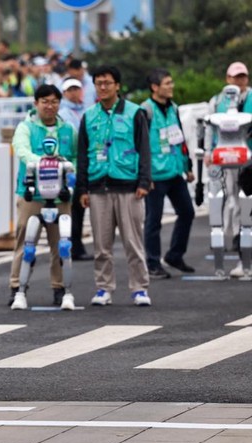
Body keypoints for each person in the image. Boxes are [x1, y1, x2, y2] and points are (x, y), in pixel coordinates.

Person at [76, 66, 152, 307]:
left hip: (129, 187)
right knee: (101, 244)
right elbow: (83, 155)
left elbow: (144, 149)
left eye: (107, 83)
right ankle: (103, 288)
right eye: (99, 83)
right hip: (98, 188)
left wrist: (143, 181)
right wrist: (82, 189)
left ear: (117, 85)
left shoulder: (134, 113)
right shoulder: (89, 116)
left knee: (133, 242)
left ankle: (139, 288)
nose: (103, 87)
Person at [8, 84, 77, 306]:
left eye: (54, 101)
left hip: (60, 197)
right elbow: (22, 151)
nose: (50, 106)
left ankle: (60, 287)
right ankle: (17, 286)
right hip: (32, 196)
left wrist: (70, 177)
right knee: (25, 242)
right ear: (36, 103)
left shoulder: (68, 130)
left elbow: (75, 158)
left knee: (61, 245)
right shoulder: (26, 127)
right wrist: (46, 163)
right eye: (45, 101)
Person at [140, 69, 195, 279]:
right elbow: (140, 144)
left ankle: (174, 255)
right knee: (154, 220)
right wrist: (145, 176)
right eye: (167, 83)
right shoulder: (146, 111)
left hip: (174, 171)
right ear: (155, 87)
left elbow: (179, 139)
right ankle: (153, 262)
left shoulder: (173, 108)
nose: (171, 86)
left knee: (187, 212)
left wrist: (187, 166)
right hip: (155, 175)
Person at [205, 62, 251, 278]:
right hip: (224, 162)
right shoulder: (216, 103)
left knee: (246, 208)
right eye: (235, 77)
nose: (239, 81)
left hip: (249, 163)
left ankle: (243, 256)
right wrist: (207, 152)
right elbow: (207, 130)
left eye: (242, 77)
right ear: (227, 79)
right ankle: (227, 242)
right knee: (226, 202)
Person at [57, 77, 92, 261]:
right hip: (69, 166)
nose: (74, 93)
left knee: (80, 207)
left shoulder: (87, 112)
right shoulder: (63, 114)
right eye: (70, 90)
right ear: (64, 93)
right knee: (71, 209)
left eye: (76, 89)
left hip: (84, 165)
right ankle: (73, 246)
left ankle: (76, 245)